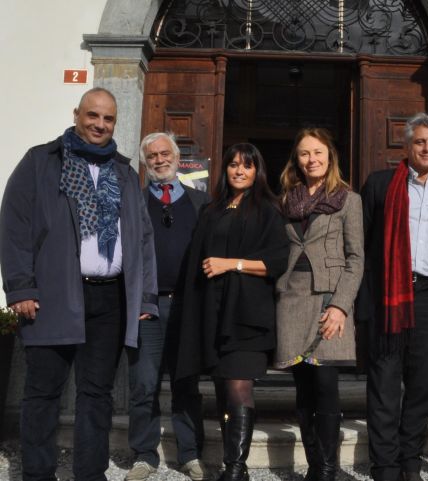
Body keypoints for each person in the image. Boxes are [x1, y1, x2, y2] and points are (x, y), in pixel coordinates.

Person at [0, 87, 158, 481]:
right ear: (76, 114)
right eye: (93, 115)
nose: (100, 124)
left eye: (108, 118)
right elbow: (15, 225)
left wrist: (145, 297)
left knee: (96, 394)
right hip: (53, 296)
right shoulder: (41, 162)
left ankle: (90, 474)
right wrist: (20, 287)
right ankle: (38, 474)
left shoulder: (123, 172)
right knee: (43, 392)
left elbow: (142, 238)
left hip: (110, 299)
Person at [358, 112, 428, 481]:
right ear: (406, 146)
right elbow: (361, 245)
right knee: (384, 384)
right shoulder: (379, 185)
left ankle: (410, 462)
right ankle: (385, 467)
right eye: (420, 141)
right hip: (388, 297)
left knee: (422, 386)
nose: (426, 148)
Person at [174, 143, 288, 481]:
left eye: (247, 165)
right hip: (214, 313)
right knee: (223, 387)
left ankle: (235, 469)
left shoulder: (268, 209)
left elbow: (277, 261)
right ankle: (233, 465)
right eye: (234, 164)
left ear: (257, 171)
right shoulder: (212, 210)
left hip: (247, 316)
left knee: (239, 386)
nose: (239, 170)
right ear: (225, 169)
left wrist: (231, 264)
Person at [274, 128, 364, 481]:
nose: (311, 159)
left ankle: (328, 469)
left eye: (317, 152)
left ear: (330, 157)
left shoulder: (348, 200)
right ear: (296, 160)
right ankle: (314, 467)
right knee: (304, 389)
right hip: (292, 300)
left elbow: (356, 259)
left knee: (326, 385)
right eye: (304, 153)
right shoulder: (285, 201)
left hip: (329, 301)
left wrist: (341, 306)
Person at [125, 132, 211, 481]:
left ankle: (190, 454)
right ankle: (144, 455)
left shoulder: (200, 202)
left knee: (186, 383)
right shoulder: (134, 202)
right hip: (148, 308)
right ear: (144, 164)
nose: (159, 160)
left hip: (187, 307)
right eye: (152, 156)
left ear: (177, 158)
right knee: (143, 384)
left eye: (165, 154)